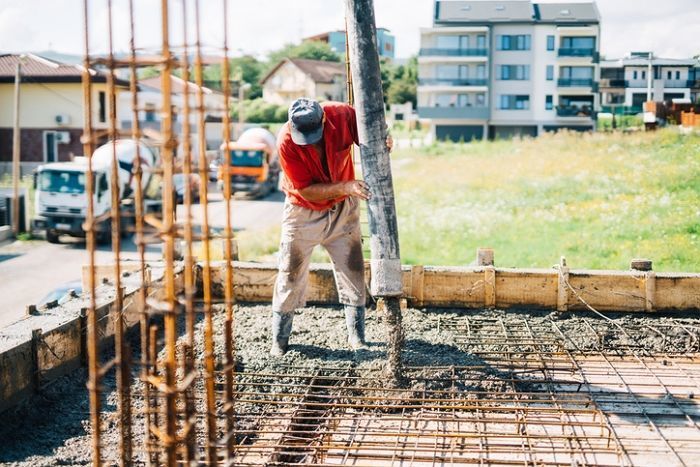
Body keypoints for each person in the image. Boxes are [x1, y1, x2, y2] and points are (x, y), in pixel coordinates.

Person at [270, 98, 392, 356]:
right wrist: (346, 186)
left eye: (313, 135)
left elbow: (372, 131)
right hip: (303, 210)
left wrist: (385, 139)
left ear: (324, 119)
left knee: (353, 270)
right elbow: (306, 190)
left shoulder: (343, 115)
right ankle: (279, 342)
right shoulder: (286, 142)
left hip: (342, 209)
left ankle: (357, 339)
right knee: (290, 273)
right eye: (304, 136)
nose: (310, 142)